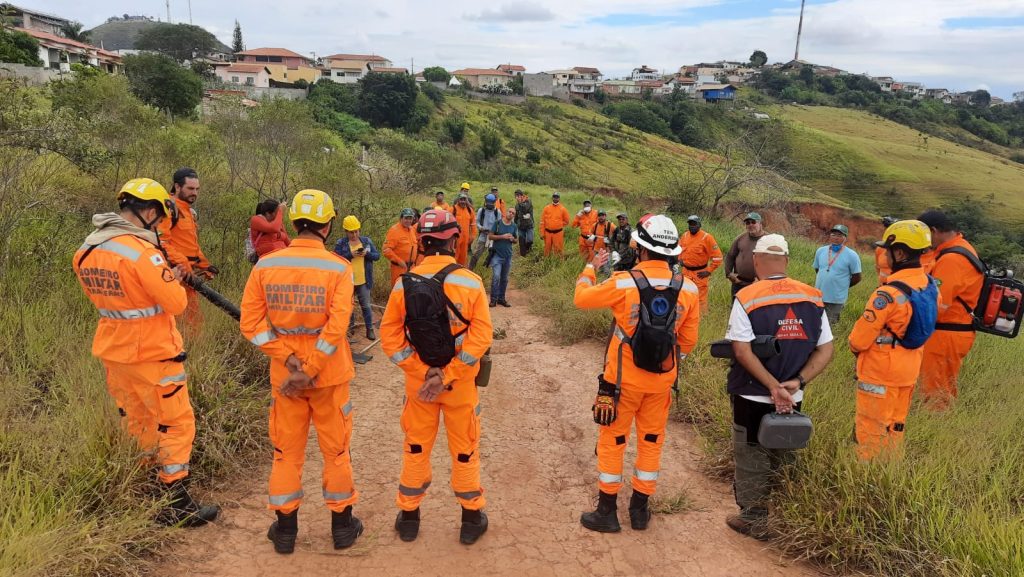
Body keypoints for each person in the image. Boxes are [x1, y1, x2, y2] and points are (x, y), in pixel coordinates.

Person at [73, 178, 219, 527]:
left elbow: (109, 299)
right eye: (160, 218)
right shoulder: (143, 253)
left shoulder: (87, 250)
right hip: (154, 353)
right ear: (151, 211)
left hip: (114, 350)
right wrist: (171, 275)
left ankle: (145, 487)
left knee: (137, 420)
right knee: (176, 422)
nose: (161, 226)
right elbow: (176, 302)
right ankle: (176, 501)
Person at [240, 189, 363, 554]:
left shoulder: (265, 266)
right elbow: (337, 326)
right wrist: (310, 367)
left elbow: (251, 323)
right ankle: (343, 527)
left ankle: (285, 531)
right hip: (329, 375)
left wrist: (287, 358)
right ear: (327, 225)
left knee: (286, 452)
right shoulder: (339, 268)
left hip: (285, 376)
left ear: (293, 222)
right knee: (336, 451)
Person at [573, 214, 701, 533]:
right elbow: (688, 341)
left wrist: (590, 267)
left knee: (614, 440)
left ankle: (606, 512)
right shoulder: (689, 289)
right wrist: (665, 363)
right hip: (661, 384)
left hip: (621, 384)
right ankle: (640, 510)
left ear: (641, 249)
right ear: (673, 253)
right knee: (651, 441)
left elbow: (581, 298)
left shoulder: (623, 282)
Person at [380, 209, 494, 545]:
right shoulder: (471, 283)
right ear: (454, 240)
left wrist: (422, 372)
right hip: (458, 387)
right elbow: (480, 338)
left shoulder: (404, 284)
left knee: (416, 448)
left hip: (420, 388)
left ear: (421, 241)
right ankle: (471, 520)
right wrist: (447, 375)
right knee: (464, 451)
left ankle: (409, 518)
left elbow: (391, 339)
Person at [724, 233, 834, 539]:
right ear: (786, 260)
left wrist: (772, 386)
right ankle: (790, 516)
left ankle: (754, 518)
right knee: (785, 450)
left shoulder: (747, 296)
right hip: (793, 394)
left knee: (751, 452)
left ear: (756, 260)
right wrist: (795, 383)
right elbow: (826, 349)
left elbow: (741, 350)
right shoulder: (812, 297)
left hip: (751, 392)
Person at [849, 220, 937, 460]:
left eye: (886, 251)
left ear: (899, 253)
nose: (883, 255)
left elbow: (859, 340)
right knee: (896, 426)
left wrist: (856, 349)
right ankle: (890, 468)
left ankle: (866, 478)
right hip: (908, 371)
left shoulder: (887, 294)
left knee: (871, 428)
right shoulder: (928, 284)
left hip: (880, 372)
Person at [917, 209, 984, 410]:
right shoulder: (956, 249)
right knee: (936, 385)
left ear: (934, 230)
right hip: (948, 331)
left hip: (946, 332)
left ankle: (934, 430)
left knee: (936, 390)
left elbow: (938, 305)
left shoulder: (952, 259)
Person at [158, 167, 217, 331]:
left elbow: (190, 244)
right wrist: (183, 265)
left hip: (188, 276)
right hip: (175, 274)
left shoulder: (187, 211)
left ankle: (191, 351)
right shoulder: (169, 208)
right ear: (177, 187)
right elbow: (161, 242)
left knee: (193, 322)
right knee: (185, 323)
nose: (195, 193)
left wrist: (205, 264)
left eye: (197, 189)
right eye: (190, 188)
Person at [334, 215, 381, 340]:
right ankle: (350, 328)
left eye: (356, 231)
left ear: (359, 230)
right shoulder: (341, 243)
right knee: (349, 307)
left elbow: (377, 256)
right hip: (347, 281)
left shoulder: (366, 241)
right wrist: (350, 255)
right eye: (351, 232)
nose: (354, 235)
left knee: (366, 305)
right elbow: (336, 259)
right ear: (346, 231)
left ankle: (369, 329)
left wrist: (367, 254)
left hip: (363, 280)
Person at [813, 224, 862, 327]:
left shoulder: (852, 255)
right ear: (830, 236)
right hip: (818, 295)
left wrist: (842, 286)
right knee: (815, 323)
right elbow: (818, 269)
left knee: (830, 325)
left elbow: (857, 277)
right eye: (833, 234)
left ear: (845, 238)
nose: (836, 238)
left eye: (839, 235)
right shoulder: (820, 251)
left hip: (836, 298)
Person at [680, 215, 723, 313]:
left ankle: (702, 319)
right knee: (684, 295)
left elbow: (718, 257)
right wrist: (680, 259)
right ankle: (686, 315)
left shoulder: (707, 238)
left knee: (700, 299)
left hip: (700, 274)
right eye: (690, 224)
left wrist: (708, 271)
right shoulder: (685, 236)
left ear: (699, 225)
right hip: (685, 272)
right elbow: (679, 249)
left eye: (694, 224)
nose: (692, 226)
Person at [723, 212, 766, 298]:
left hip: (758, 284)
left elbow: (775, 262)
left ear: (760, 224)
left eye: (753, 222)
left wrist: (762, 279)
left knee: (754, 310)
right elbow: (730, 256)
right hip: (738, 283)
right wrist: (729, 274)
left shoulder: (769, 239)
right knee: (736, 308)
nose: (750, 225)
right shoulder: (740, 238)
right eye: (748, 223)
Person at [489, 207, 518, 307]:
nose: (511, 214)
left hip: (508, 255)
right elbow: (490, 236)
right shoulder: (497, 223)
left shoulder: (514, 226)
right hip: (497, 255)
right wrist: (502, 236)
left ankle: (501, 299)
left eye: (513, 213)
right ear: (506, 212)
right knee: (496, 276)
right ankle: (493, 299)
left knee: (504, 278)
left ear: (514, 215)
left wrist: (512, 239)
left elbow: (516, 240)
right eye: (509, 212)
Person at [383, 208, 419, 288]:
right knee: (398, 292)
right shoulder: (394, 230)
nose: (408, 221)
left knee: (410, 292)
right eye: (406, 218)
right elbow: (386, 250)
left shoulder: (412, 230)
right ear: (401, 218)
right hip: (399, 268)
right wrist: (399, 261)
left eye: (410, 218)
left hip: (412, 268)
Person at [469, 194, 502, 270]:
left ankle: (486, 267)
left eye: (491, 202)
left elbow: (499, 224)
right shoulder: (482, 210)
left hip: (493, 236)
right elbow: (477, 222)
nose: (489, 204)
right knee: (476, 253)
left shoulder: (497, 212)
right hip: (483, 235)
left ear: (494, 202)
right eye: (488, 202)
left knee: (492, 253)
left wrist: (494, 231)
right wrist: (481, 228)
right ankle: (470, 268)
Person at [540, 192, 571, 257]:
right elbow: (542, 222)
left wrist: (559, 224)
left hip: (558, 233)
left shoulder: (563, 209)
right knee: (547, 249)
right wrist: (542, 233)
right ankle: (547, 261)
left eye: (557, 197)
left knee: (558, 249)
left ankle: (558, 262)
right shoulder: (546, 208)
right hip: (547, 233)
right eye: (554, 197)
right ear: (552, 198)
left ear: (559, 198)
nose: (555, 199)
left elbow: (567, 221)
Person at [453, 194, 477, 266]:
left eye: (464, 200)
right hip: (454, 239)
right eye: (461, 199)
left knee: (463, 257)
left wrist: (472, 236)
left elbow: (473, 224)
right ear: (458, 200)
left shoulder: (470, 210)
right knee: (454, 256)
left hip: (465, 239)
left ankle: (461, 273)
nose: (463, 202)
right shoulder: (453, 209)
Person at [874, 216, 897, 285]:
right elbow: (878, 267)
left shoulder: (902, 251)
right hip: (883, 287)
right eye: (887, 229)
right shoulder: (879, 249)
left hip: (897, 288)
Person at [513, 189, 535, 256]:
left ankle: (528, 250)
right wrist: (515, 223)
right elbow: (516, 215)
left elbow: (525, 208)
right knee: (521, 243)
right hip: (521, 226)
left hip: (529, 225)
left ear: (522, 196)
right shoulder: (517, 205)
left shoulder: (528, 201)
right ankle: (523, 255)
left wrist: (520, 202)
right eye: (516, 196)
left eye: (518, 195)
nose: (517, 197)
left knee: (530, 240)